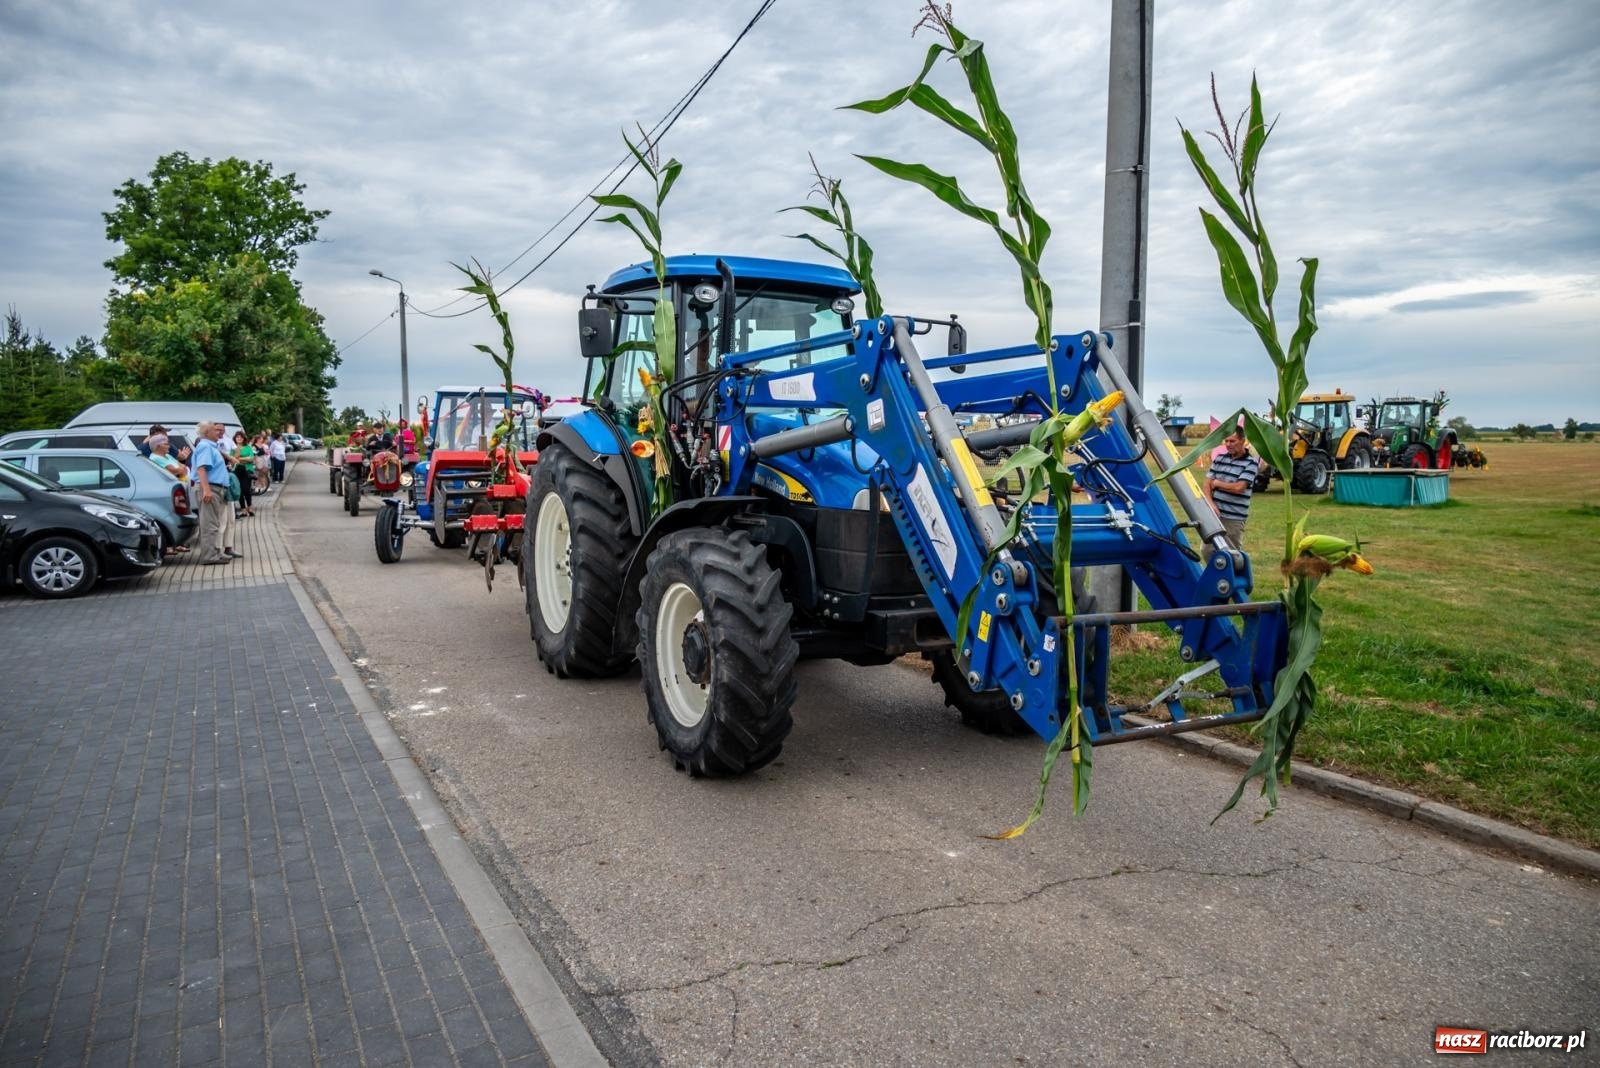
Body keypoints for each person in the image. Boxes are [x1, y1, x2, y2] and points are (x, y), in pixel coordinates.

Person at [1204, 428, 1261, 551]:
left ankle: (1235, 571)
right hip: (1215, 514)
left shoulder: (1251, 463)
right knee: (1207, 550)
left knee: (1231, 554)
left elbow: (1239, 488)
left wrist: (1217, 483)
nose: (1228, 444)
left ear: (1242, 441)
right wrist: (1210, 504)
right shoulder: (1219, 458)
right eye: (1226, 441)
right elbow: (1207, 484)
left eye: (1232, 441)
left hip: (1233, 518)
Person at [191, 420, 233, 565]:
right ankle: (209, 556)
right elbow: (201, 468)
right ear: (207, 432)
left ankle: (214, 553)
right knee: (209, 524)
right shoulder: (205, 446)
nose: (219, 433)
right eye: (215, 430)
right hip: (210, 488)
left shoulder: (210, 446)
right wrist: (207, 490)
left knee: (213, 522)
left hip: (215, 488)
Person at [231, 430, 257, 517]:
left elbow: (251, 458)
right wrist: (244, 458)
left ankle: (250, 507)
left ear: (243, 438)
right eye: (237, 437)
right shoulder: (233, 448)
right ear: (235, 439)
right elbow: (231, 459)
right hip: (237, 470)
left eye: (240, 437)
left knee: (246, 489)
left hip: (247, 470)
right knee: (239, 490)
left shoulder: (248, 447)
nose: (239, 438)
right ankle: (243, 509)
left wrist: (239, 459)